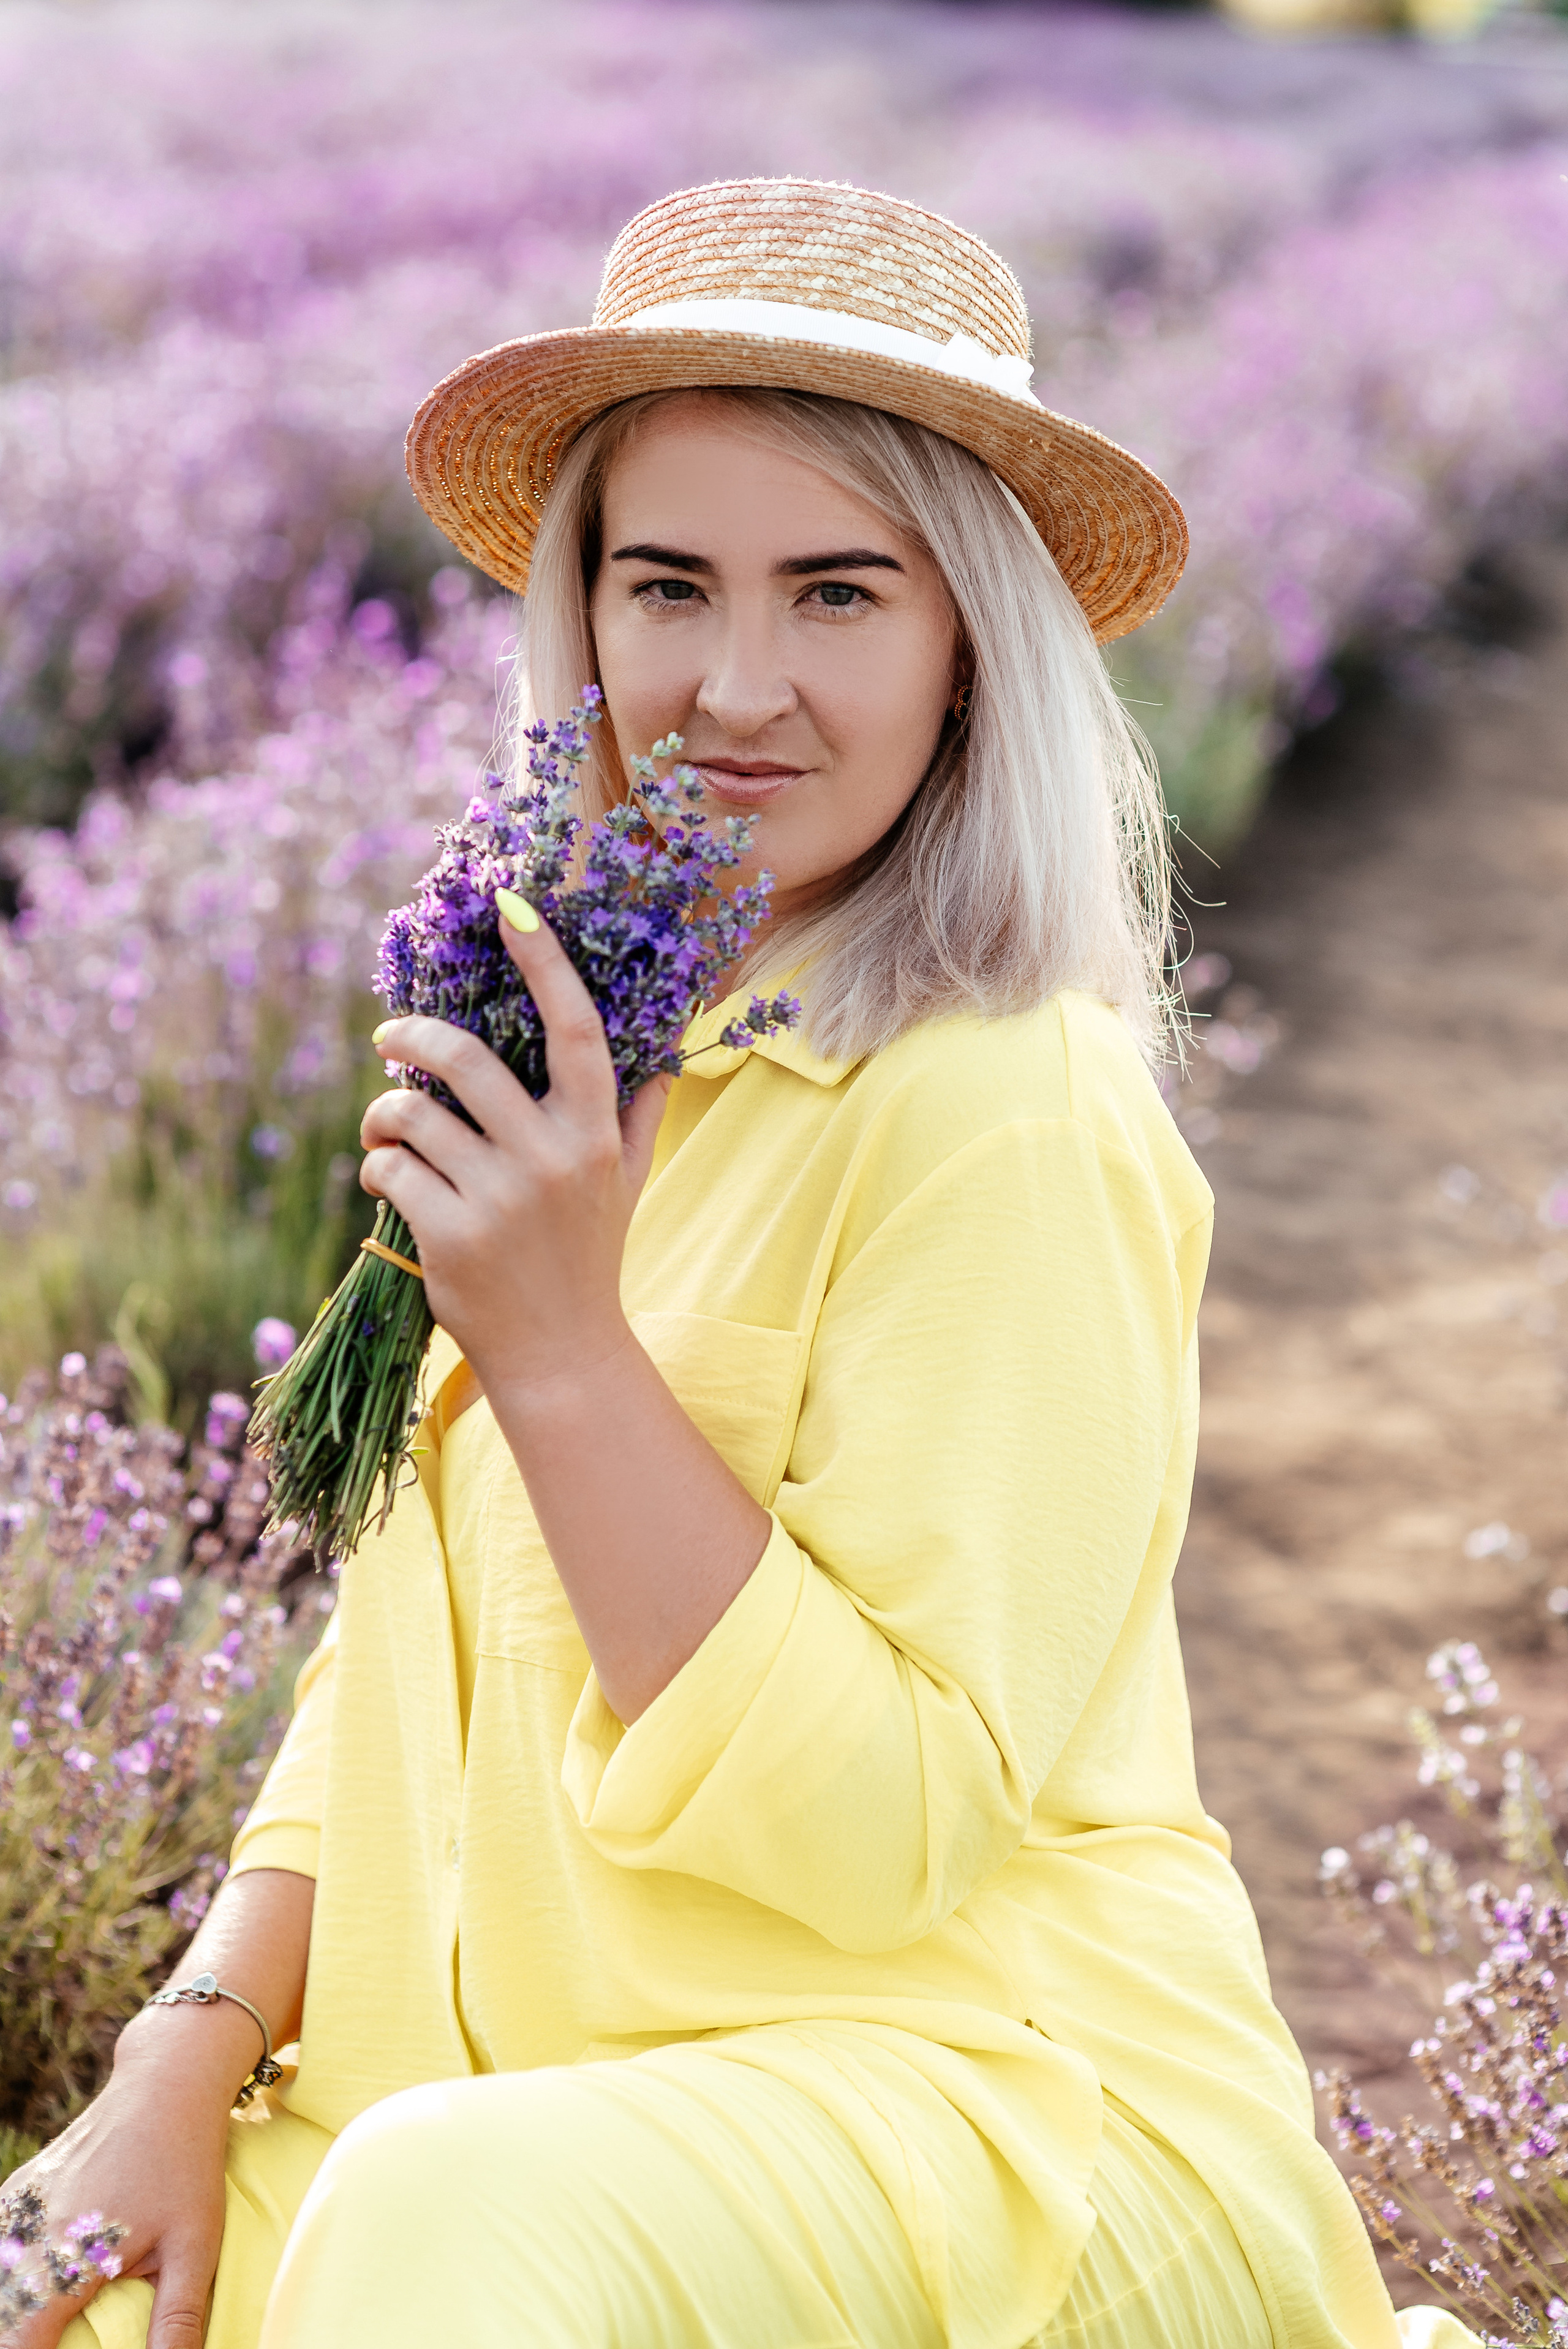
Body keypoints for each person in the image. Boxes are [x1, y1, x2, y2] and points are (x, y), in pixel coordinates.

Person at [16, 177, 1476, 2349]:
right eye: (668, 583)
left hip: (978, 2119)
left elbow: (882, 1836)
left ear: (969, 637)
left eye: (840, 593)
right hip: (516, 2087)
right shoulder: (578, 1033)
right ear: (578, 619)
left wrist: (565, 1351)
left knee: (439, 2225)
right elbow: (402, 1655)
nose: (737, 683)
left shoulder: (1007, 1109)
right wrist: (185, 2048)